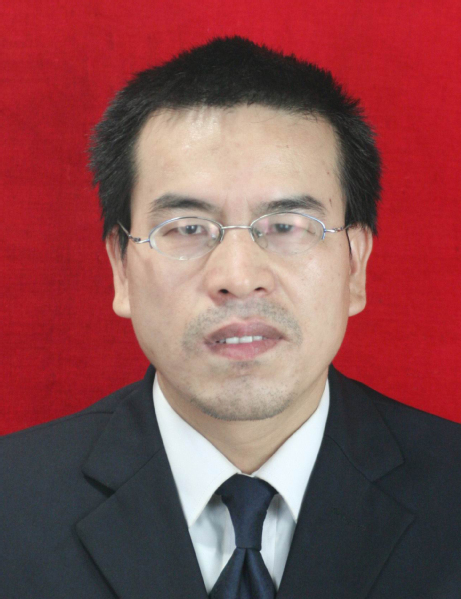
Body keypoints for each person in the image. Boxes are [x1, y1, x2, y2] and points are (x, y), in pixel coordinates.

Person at [1, 36, 460, 599]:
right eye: (188, 228)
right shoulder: (11, 505)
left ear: (354, 265)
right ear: (121, 268)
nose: (239, 277)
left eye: (286, 226)